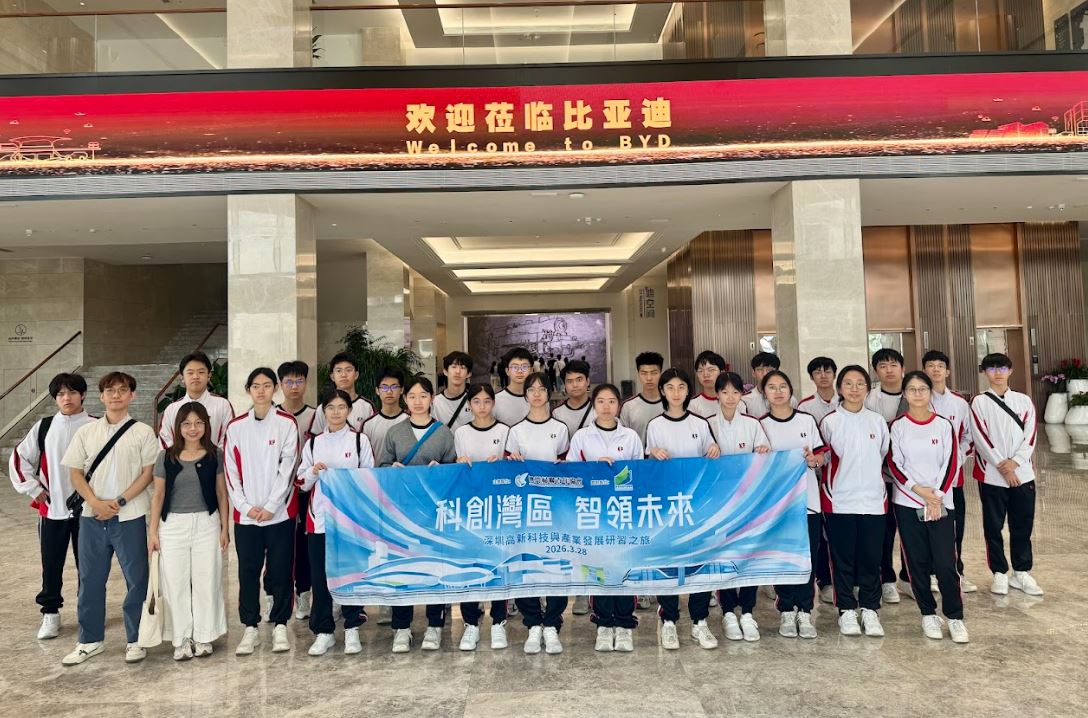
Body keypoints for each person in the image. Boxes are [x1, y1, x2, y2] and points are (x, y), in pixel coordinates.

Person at [60, 371, 159, 666]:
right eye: (110, 390)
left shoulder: (143, 432)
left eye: (122, 390)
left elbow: (148, 473)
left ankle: (135, 639)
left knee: (136, 580)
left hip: (130, 516)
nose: (116, 395)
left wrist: (118, 502)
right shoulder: (86, 432)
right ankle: (89, 640)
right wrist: (94, 502)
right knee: (89, 579)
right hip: (91, 517)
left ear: (132, 395)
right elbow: (75, 472)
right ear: (101, 396)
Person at [8, 372, 95, 640]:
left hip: (88, 511)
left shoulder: (95, 425)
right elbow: (19, 458)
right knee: (51, 564)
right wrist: (34, 489)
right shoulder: (44, 427)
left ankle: (88, 613)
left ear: (82, 395)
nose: (66, 398)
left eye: (72, 392)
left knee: (89, 565)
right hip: (52, 509)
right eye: (60, 394)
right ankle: (50, 613)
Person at [377, 375, 458, 653]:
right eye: (412, 396)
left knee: (436, 567)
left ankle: (435, 624)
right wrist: (392, 470)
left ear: (432, 398)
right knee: (403, 567)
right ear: (405, 399)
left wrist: (442, 471)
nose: (418, 401)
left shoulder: (443, 433)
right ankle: (402, 627)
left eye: (423, 396)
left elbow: (454, 471)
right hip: (403, 512)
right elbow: (381, 467)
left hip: (434, 513)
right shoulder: (395, 432)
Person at [888, 371, 969, 643]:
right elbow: (894, 464)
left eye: (922, 389)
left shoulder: (943, 425)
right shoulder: (898, 426)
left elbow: (951, 462)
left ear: (930, 392)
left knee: (946, 563)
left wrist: (937, 496)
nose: (918, 394)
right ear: (904, 394)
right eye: (912, 389)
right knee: (917, 562)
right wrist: (919, 490)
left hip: (941, 503)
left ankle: (955, 616)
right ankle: (928, 614)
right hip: (908, 502)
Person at [224, 367, 300, 656]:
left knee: (281, 570)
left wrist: (271, 506)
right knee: (247, 572)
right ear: (248, 390)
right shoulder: (236, 427)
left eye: (267, 385)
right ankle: (250, 627)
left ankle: (280, 624)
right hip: (246, 518)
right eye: (255, 386)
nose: (261, 391)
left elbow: (289, 467)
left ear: (275, 389)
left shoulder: (286, 423)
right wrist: (244, 506)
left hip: (279, 515)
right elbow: (231, 471)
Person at [645, 368, 721, 650]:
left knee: (699, 561)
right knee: (668, 562)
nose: (676, 392)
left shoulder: (700, 424)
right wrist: (652, 454)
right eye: (670, 387)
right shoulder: (655, 425)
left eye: (681, 387)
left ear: (688, 391)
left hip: (696, 507)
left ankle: (699, 621)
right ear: (662, 391)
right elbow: (647, 465)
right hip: (666, 508)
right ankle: (668, 620)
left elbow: (712, 456)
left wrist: (714, 450)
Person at [148, 402, 230, 660]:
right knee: (176, 582)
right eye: (186, 423)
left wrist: (224, 528)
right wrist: (153, 532)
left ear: (206, 426)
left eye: (198, 423)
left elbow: (221, 493)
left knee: (207, 580)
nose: (193, 428)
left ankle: (205, 635)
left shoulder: (214, 455)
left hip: (207, 523)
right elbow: (158, 495)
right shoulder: (166, 457)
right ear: (178, 427)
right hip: (173, 526)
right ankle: (182, 638)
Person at [297, 389, 374, 656]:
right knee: (320, 577)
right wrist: (313, 471)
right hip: (319, 520)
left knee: (351, 574)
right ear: (323, 411)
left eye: (342, 407)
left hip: (351, 520)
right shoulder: (313, 444)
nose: (336, 412)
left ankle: (352, 628)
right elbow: (301, 483)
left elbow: (369, 478)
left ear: (349, 410)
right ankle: (324, 631)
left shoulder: (359, 441)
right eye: (331, 407)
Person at [568, 383, 645, 653]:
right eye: (601, 401)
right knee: (598, 568)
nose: (606, 406)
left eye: (612, 401)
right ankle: (602, 623)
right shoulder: (582, 437)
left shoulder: (631, 437)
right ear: (594, 404)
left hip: (623, 515)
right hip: (593, 515)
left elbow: (640, 473)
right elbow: (571, 474)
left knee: (623, 565)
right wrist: (594, 469)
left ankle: (624, 624)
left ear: (619, 405)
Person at [817, 366, 890, 638]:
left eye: (860, 383)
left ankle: (870, 609)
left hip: (873, 500)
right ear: (840, 389)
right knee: (842, 558)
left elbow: (882, 453)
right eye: (848, 383)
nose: (854, 389)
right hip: (839, 501)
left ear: (868, 389)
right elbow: (823, 457)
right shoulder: (830, 422)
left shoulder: (877, 421)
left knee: (871, 558)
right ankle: (846, 609)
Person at [506, 372, 571, 654]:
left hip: (556, 508)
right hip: (526, 510)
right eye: (531, 390)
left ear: (549, 393)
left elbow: (569, 468)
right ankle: (533, 623)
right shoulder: (516, 431)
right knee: (526, 564)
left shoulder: (561, 428)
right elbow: (509, 471)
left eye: (542, 389)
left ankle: (553, 623)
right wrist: (513, 462)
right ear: (525, 395)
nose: (536, 394)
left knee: (557, 563)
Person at [758, 370, 824, 640]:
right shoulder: (760, 425)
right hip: (776, 505)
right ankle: (786, 609)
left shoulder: (806, 420)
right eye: (772, 387)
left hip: (808, 501)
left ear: (790, 390)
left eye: (782, 386)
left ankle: (805, 610)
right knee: (781, 556)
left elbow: (821, 455)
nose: (778, 391)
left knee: (808, 556)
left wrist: (813, 459)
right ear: (764, 393)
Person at [969, 353, 1042, 597]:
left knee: (1022, 524)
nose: (997, 373)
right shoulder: (979, 402)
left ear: (1010, 371)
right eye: (991, 369)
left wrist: (1015, 463)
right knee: (993, 526)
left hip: (1023, 474)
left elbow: (1030, 436)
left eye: (1002, 368)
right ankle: (999, 572)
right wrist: (1003, 466)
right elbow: (980, 438)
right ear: (984, 373)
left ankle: (1021, 572)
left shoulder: (1023, 401)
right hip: (992, 475)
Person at [709, 372, 770, 641]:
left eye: (735, 392)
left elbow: (765, 457)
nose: (730, 397)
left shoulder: (753, 424)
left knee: (748, 555)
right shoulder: (707, 424)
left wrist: (763, 453)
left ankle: (747, 611)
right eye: (725, 392)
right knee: (723, 556)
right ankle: (727, 612)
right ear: (717, 395)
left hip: (748, 503)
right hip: (719, 504)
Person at [453, 382, 511, 651]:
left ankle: (499, 622)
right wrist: (460, 464)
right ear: (469, 405)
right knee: (470, 565)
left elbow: (512, 468)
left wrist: (502, 464)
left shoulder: (505, 431)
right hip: (470, 509)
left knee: (499, 564)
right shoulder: (461, 433)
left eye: (487, 401)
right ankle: (471, 624)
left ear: (493, 403)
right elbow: (456, 469)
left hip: (499, 508)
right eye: (476, 401)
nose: (482, 406)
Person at [922, 350, 977, 593]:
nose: (935, 369)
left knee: (954, 528)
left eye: (940, 366)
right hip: (925, 482)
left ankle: (956, 572)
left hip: (954, 481)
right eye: (930, 365)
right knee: (928, 528)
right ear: (924, 370)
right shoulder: (918, 398)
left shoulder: (959, 403)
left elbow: (968, 437)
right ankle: (930, 573)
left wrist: (956, 458)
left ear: (947, 371)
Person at [275, 360, 316, 621]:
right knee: (277, 546)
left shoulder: (315, 414)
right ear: (280, 385)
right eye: (288, 381)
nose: (294, 386)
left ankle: (303, 593)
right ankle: (274, 594)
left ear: (306, 383)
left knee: (304, 545)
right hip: (278, 492)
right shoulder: (273, 415)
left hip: (307, 491)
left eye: (299, 381)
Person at [865, 348, 907, 605]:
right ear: (875, 371)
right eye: (882, 366)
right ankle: (886, 578)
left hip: (912, 478)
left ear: (902, 368)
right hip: (881, 475)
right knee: (884, 530)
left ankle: (911, 577)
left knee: (912, 529)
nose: (889, 370)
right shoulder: (870, 400)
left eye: (893, 365)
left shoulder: (915, 392)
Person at [797, 356, 840, 605]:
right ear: (811, 377)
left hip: (842, 479)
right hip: (814, 479)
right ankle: (825, 580)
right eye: (817, 372)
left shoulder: (846, 401)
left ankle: (846, 579)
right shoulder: (804, 407)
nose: (823, 375)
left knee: (839, 531)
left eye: (827, 371)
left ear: (834, 374)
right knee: (819, 534)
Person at [159, 351, 234, 449]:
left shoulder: (223, 405)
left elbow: (229, 438)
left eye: (201, 372)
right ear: (182, 377)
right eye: (190, 373)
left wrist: (213, 457)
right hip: (179, 459)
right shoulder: (171, 409)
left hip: (215, 458)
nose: (195, 376)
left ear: (209, 376)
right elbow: (165, 441)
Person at [311, 353, 374, 435]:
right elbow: (316, 438)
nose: (343, 375)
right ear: (332, 376)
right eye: (339, 371)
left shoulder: (367, 407)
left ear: (356, 375)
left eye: (348, 370)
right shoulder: (323, 408)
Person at [620, 351, 665, 446]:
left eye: (654, 373)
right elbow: (623, 439)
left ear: (661, 373)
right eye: (644, 373)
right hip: (637, 455)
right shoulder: (628, 406)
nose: (649, 378)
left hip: (666, 454)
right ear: (638, 374)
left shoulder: (671, 403)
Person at [552, 359, 596, 441]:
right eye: (569, 381)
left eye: (579, 380)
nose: (575, 385)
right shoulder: (557, 413)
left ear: (587, 381)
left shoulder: (598, 410)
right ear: (564, 385)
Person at [742, 352, 797, 417]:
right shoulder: (745, 400)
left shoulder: (789, 399)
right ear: (753, 373)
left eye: (770, 370)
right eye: (760, 369)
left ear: (777, 372)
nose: (765, 374)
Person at [432, 351, 475, 431]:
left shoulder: (474, 401)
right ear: (445, 371)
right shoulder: (435, 402)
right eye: (454, 367)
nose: (458, 371)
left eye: (462, 367)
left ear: (469, 374)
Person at [493, 348, 533, 426]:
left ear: (531, 370)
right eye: (515, 367)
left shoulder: (540, 399)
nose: (520, 371)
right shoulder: (496, 401)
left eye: (524, 367)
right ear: (507, 371)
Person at [689, 350, 725, 419]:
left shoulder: (734, 401)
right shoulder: (692, 405)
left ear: (722, 372)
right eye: (700, 371)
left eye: (711, 370)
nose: (705, 374)